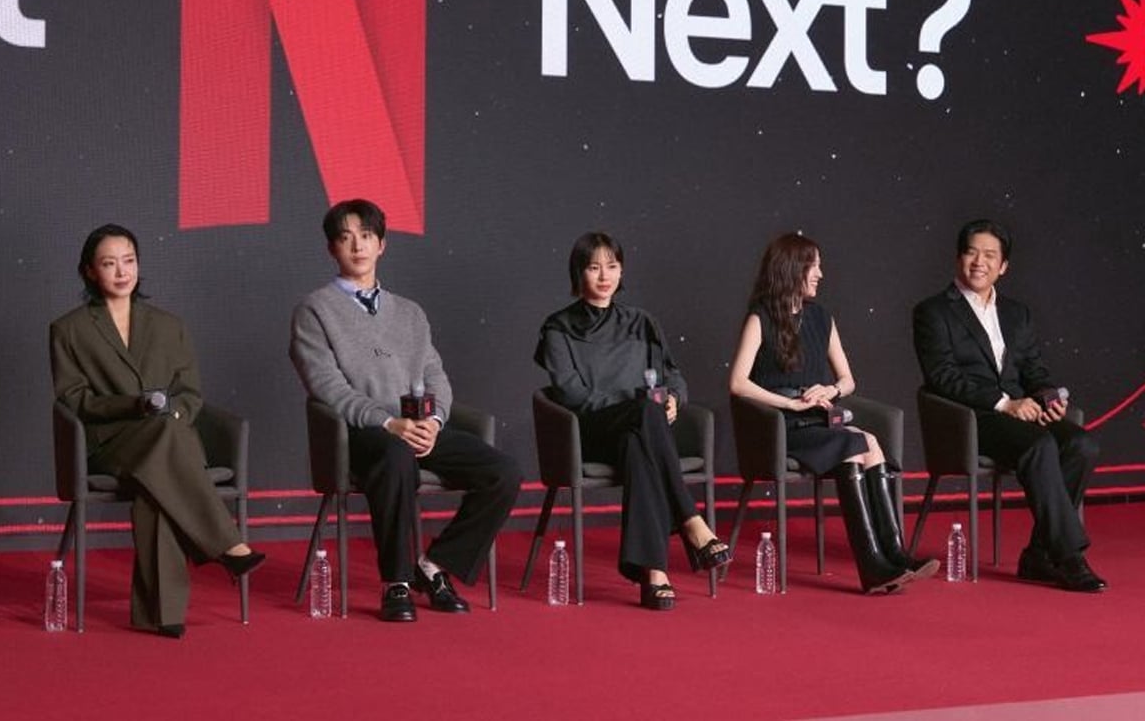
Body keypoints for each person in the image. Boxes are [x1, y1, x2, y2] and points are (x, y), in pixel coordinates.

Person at [290, 198, 522, 622]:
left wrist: (433, 422)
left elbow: (436, 376)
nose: (357, 246)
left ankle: (432, 566)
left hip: (417, 428)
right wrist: (387, 422)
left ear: (382, 245)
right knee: (396, 455)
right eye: (346, 238)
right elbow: (327, 387)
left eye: (366, 236)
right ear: (331, 248)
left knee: (504, 472)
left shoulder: (410, 313)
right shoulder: (314, 310)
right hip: (358, 434)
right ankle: (395, 582)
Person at [48, 224, 265, 637]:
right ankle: (227, 543)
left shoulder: (169, 325)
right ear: (90, 271)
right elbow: (73, 400)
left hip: (167, 440)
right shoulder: (69, 329)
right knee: (164, 451)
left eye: (128, 261)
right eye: (109, 263)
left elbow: (190, 394)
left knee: (159, 478)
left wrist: (170, 415)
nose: (121, 272)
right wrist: (134, 405)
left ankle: (163, 615)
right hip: (110, 445)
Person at [726, 233, 938, 594]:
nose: (820, 274)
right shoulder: (761, 318)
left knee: (870, 442)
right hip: (779, 424)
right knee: (854, 445)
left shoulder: (821, 317)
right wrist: (789, 404)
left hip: (816, 418)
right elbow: (738, 383)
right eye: (814, 265)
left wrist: (831, 390)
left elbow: (848, 380)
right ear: (791, 268)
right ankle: (872, 565)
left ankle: (894, 555)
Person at [534, 232, 731, 610]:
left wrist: (674, 399)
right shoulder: (558, 328)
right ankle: (691, 520)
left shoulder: (642, 321)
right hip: (587, 433)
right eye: (594, 267)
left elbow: (673, 376)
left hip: (639, 432)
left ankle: (653, 573)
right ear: (578, 273)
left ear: (622, 271)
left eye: (612, 266)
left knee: (638, 444)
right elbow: (572, 395)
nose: (604, 276)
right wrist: (638, 404)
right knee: (643, 412)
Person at [911, 219, 1105, 592]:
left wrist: (1048, 398)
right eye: (971, 253)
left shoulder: (1017, 313)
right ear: (958, 258)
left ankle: (1038, 555)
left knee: (1082, 444)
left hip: (1021, 412)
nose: (979, 262)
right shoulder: (932, 311)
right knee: (1039, 444)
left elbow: (1034, 369)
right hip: (972, 418)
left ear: (1003, 266)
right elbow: (942, 377)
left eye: (989, 255)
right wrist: (1004, 404)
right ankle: (1068, 556)